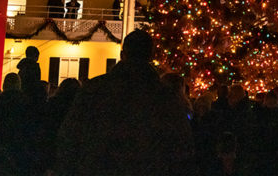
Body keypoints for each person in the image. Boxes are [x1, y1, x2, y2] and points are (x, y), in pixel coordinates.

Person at [56, 29, 194, 175]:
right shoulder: (164, 96)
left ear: (123, 54)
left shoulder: (95, 89)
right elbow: (182, 146)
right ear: (151, 55)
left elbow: (70, 135)